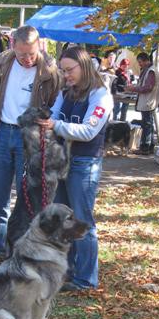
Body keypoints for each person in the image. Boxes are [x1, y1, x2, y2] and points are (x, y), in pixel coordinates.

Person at [0, 25, 60, 264]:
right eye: (22, 54)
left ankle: (23, 252)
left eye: (32, 53)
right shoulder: (2, 62)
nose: (27, 59)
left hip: (30, 137)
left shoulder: (49, 70)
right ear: (13, 46)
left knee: (29, 198)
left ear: (39, 47)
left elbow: (56, 102)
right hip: (2, 133)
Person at [37, 46, 113, 291]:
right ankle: (67, 271)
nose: (66, 75)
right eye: (63, 70)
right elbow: (54, 116)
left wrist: (54, 125)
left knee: (82, 221)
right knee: (63, 219)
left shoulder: (101, 95)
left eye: (69, 70)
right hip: (62, 162)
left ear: (84, 66)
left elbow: (89, 131)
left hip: (84, 164)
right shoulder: (66, 92)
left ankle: (87, 278)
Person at [125, 52, 159, 155]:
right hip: (147, 101)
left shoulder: (151, 71)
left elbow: (148, 87)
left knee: (147, 125)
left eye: (140, 62)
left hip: (148, 101)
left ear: (146, 61)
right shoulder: (148, 70)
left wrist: (133, 88)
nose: (139, 64)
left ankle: (145, 147)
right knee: (149, 124)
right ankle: (149, 146)